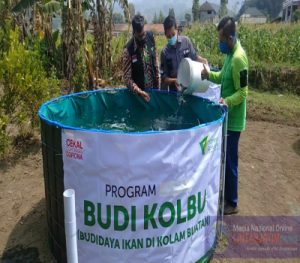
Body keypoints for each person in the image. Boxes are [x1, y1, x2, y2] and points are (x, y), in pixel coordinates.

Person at [202, 17, 249, 215]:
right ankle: (227, 194)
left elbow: (244, 92)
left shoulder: (239, 58)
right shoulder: (230, 54)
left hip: (234, 120)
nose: (220, 43)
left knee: (230, 160)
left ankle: (232, 202)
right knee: (225, 157)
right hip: (227, 117)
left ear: (230, 38)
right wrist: (208, 74)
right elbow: (222, 76)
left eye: (221, 39)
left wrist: (226, 101)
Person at [160, 15, 208, 92]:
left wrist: (203, 60)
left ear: (177, 29)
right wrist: (174, 81)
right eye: (168, 36)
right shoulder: (164, 52)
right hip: (175, 92)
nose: (171, 38)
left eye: (173, 34)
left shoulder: (186, 42)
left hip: (190, 87)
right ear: (165, 35)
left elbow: (194, 57)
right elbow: (164, 78)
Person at [123, 15, 160, 102]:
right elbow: (127, 78)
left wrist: (158, 86)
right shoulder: (128, 50)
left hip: (154, 90)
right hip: (139, 96)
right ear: (134, 33)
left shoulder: (150, 37)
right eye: (140, 36)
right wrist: (139, 92)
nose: (143, 38)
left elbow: (156, 62)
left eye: (143, 34)